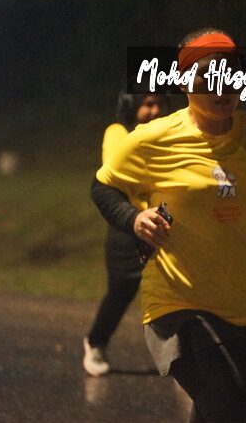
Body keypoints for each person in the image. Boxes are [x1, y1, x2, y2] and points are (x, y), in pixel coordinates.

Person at [90, 28, 246, 422]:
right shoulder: (152, 139)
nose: (222, 84)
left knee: (217, 408)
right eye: (208, 75)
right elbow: (103, 187)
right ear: (182, 82)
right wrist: (134, 218)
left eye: (232, 74)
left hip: (243, 307)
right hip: (178, 305)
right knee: (231, 408)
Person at [83, 90, 170, 376]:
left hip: (166, 224)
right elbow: (119, 176)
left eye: (160, 104)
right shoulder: (117, 132)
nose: (155, 110)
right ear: (131, 106)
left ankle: (185, 359)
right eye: (148, 104)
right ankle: (95, 343)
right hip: (128, 226)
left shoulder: (171, 135)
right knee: (121, 291)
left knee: (179, 293)